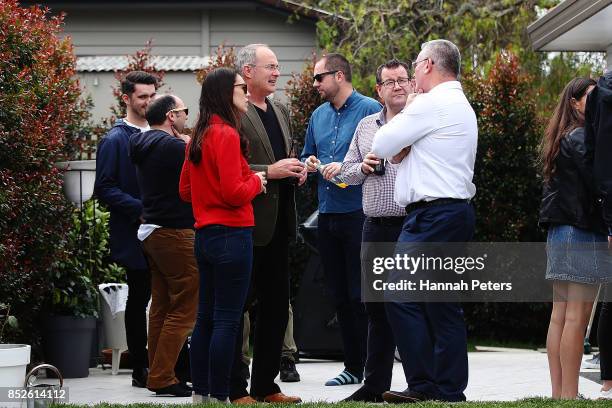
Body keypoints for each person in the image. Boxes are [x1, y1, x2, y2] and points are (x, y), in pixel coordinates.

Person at [371, 39, 477, 403]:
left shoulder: (431, 103)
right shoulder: (459, 104)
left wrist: (410, 108)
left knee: (399, 294)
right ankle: (447, 389)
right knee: (442, 303)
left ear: (429, 64)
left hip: (433, 217)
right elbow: (407, 156)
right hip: (452, 213)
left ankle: (424, 385)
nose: (412, 74)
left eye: (415, 65)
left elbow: (382, 144)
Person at [179, 67, 266, 403]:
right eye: (242, 88)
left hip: (205, 237)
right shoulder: (227, 134)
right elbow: (233, 192)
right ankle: (219, 395)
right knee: (227, 321)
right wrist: (258, 182)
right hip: (233, 235)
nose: (246, 93)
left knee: (205, 318)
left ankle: (201, 393)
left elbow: (185, 190)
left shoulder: (199, 135)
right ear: (225, 93)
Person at [229, 43, 304, 404]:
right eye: (270, 67)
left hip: (280, 225)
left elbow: (282, 158)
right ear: (247, 72)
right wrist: (269, 172)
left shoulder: (281, 109)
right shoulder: (234, 113)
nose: (277, 73)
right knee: (237, 308)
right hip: (245, 225)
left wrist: (297, 168)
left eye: (277, 66)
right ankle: (234, 387)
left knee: (276, 308)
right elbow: (226, 169)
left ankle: (266, 386)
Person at [302, 53, 382, 386]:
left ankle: (371, 368)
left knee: (360, 294)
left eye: (319, 78)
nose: (316, 84)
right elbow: (306, 153)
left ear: (339, 75)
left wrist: (349, 169)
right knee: (338, 294)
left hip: (359, 213)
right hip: (328, 214)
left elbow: (381, 159)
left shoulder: (369, 111)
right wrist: (309, 163)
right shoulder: (317, 115)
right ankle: (351, 366)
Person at [338, 59, 410, 402]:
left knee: (411, 307)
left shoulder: (420, 121)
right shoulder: (366, 125)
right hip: (376, 227)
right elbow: (346, 172)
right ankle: (374, 384)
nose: (398, 86)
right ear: (378, 90)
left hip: (413, 226)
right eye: (390, 82)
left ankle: (418, 384)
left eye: (403, 80)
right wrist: (362, 167)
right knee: (377, 309)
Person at [539, 77, 610, 399]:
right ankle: (569, 394)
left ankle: (560, 394)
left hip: (560, 232)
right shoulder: (582, 137)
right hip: (580, 232)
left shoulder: (562, 135)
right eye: (591, 99)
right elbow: (600, 186)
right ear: (575, 102)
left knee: (560, 316)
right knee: (576, 318)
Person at [129, 94, 196, 396]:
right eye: (184, 111)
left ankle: (156, 372)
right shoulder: (173, 146)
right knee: (185, 306)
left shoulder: (142, 142)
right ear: (171, 116)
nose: (186, 116)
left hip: (152, 232)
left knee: (162, 306)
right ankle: (164, 376)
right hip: (175, 232)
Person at [94, 70, 158, 387]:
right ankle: (140, 369)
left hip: (166, 230)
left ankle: (165, 366)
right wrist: (141, 209)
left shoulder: (160, 131)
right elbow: (104, 188)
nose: (148, 102)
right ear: (127, 98)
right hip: (135, 234)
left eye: (152, 96)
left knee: (167, 300)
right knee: (139, 298)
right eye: (142, 96)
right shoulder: (115, 139)